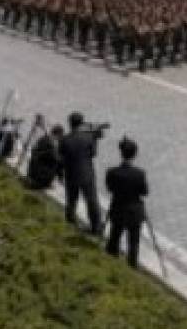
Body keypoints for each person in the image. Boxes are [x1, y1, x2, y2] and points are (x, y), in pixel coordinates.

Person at [105, 137, 149, 268]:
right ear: (134, 155)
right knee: (134, 243)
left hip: (118, 209)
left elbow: (110, 188)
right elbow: (144, 192)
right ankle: (132, 265)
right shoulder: (140, 174)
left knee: (114, 237)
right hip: (134, 212)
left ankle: (111, 261)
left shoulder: (112, 172)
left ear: (121, 153)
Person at [59, 112, 102, 235]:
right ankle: (96, 227)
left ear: (70, 123)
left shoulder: (64, 139)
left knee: (71, 200)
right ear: (82, 123)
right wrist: (95, 138)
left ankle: (70, 221)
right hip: (87, 174)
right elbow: (93, 153)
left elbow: (61, 155)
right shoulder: (88, 137)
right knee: (92, 201)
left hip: (71, 173)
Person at [26, 124, 64, 191]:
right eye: (61, 136)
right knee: (59, 163)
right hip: (39, 174)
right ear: (59, 135)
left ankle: (37, 182)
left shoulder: (44, 138)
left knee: (58, 162)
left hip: (32, 171)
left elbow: (35, 152)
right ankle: (43, 184)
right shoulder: (51, 145)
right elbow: (56, 159)